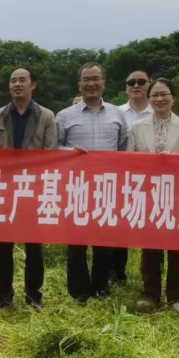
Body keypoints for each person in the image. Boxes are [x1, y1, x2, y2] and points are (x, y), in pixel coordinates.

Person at [56, 62, 129, 302]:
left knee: (104, 242)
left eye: (95, 78)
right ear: (79, 84)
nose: (91, 83)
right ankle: (78, 292)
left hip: (107, 188)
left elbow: (123, 147)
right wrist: (69, 152)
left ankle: (101, 288)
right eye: (86, 79)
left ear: (103, 83)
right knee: (77, 243)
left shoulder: (117, 114)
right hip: (76, 187)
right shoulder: (65, 115)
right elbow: (53, 148)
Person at [0, 67, 58, 308]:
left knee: (34, 246)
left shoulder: (46, 116)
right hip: (4, 188)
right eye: (13, 81)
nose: (17, 84)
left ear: (32, 85)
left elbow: (50, 153)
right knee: (3, 245)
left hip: (33, 187)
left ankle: (34, 295)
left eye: (22, 80)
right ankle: (3, 294)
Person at [130, 78, 179, 312]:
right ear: (149, 99)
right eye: (154, 95)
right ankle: (150, 294)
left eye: (164, 94)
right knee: (150, 246)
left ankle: (177, 295)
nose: (159, 99)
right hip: (147, 193)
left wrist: (176, 160)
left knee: (177, 246)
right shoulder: (137, 126)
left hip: (176, 192)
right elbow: (129, 158)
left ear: (173, 98)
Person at [110, 68, 154, 283]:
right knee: (119, 225)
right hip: (122, 178)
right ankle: (117, 272)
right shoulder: (116, 112)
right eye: (131, 82)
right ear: (126, 88)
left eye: (141, 81)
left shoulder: (159, 111)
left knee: (152, 224)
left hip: (153, 179)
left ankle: (153, 274)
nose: (136, 85)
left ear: (149, 85)